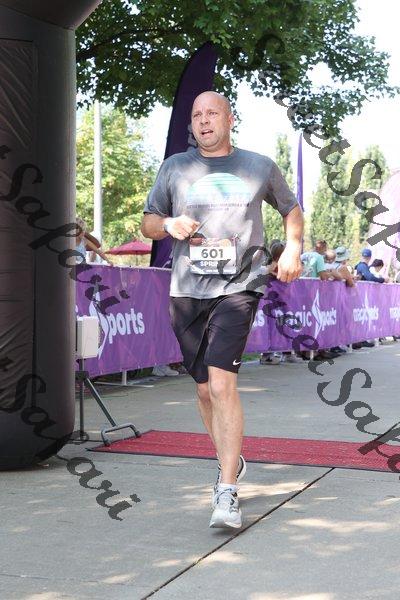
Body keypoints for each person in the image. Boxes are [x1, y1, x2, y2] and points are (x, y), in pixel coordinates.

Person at [141, 91, 303, 529]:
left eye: (212, 113)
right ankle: (232, 458)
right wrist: (169, 224)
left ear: (230, 120)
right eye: (197, 115)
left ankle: (226, 488)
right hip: (187, 289)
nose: (203, 120)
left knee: (221, 384)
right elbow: (148, 222)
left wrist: (293, 249)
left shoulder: (258, 166)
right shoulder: (175, 167)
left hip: (239, 286)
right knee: (202, 390)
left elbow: (291, 209)